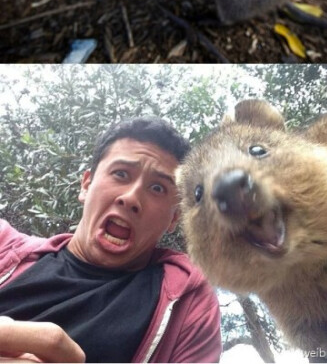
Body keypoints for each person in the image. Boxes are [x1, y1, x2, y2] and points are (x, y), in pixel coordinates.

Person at [0, 116, 221, 364]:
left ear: (174, 218)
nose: (131, 198)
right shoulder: (4, 244)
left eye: (158, 188)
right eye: (121, 174)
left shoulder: (189, 302)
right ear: (86, 185)